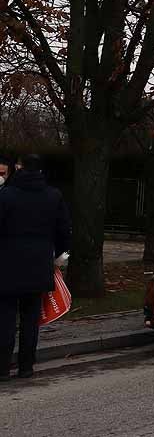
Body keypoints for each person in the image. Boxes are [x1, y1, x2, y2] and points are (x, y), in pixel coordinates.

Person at [0, 154, 71, 380]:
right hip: (39, 264)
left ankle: (2, 368)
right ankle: (26, 366)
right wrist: (59, 255)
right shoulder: (53, 196)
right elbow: (63, 230)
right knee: (31, 319)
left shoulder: (6, 195)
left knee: (6, 319)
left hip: (7, 265)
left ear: (19, 168)